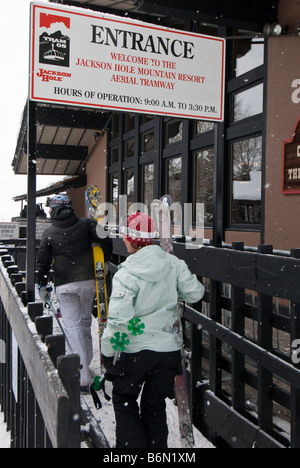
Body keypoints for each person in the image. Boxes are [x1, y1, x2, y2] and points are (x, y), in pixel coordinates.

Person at [101, 211, 204, 449]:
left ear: (128, 239)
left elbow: (118, 320)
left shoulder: (126, 273)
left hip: (135, 351)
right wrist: (172, 291)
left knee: (125, 399)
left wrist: (108, 353)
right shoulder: (173, 263)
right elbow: (196, 293)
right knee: (155, 405)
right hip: (168, 350)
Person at [37, 194, 112, 389]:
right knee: (85, 321)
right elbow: (106, 239)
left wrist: (42, 284)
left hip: (65, 285)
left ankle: (83, 376)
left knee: (73, 327)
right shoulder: (87, 224)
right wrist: (104, 261)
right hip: (88, 281)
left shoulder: (49, 233)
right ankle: (86, 364)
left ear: (52, 210)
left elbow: (42, 262)